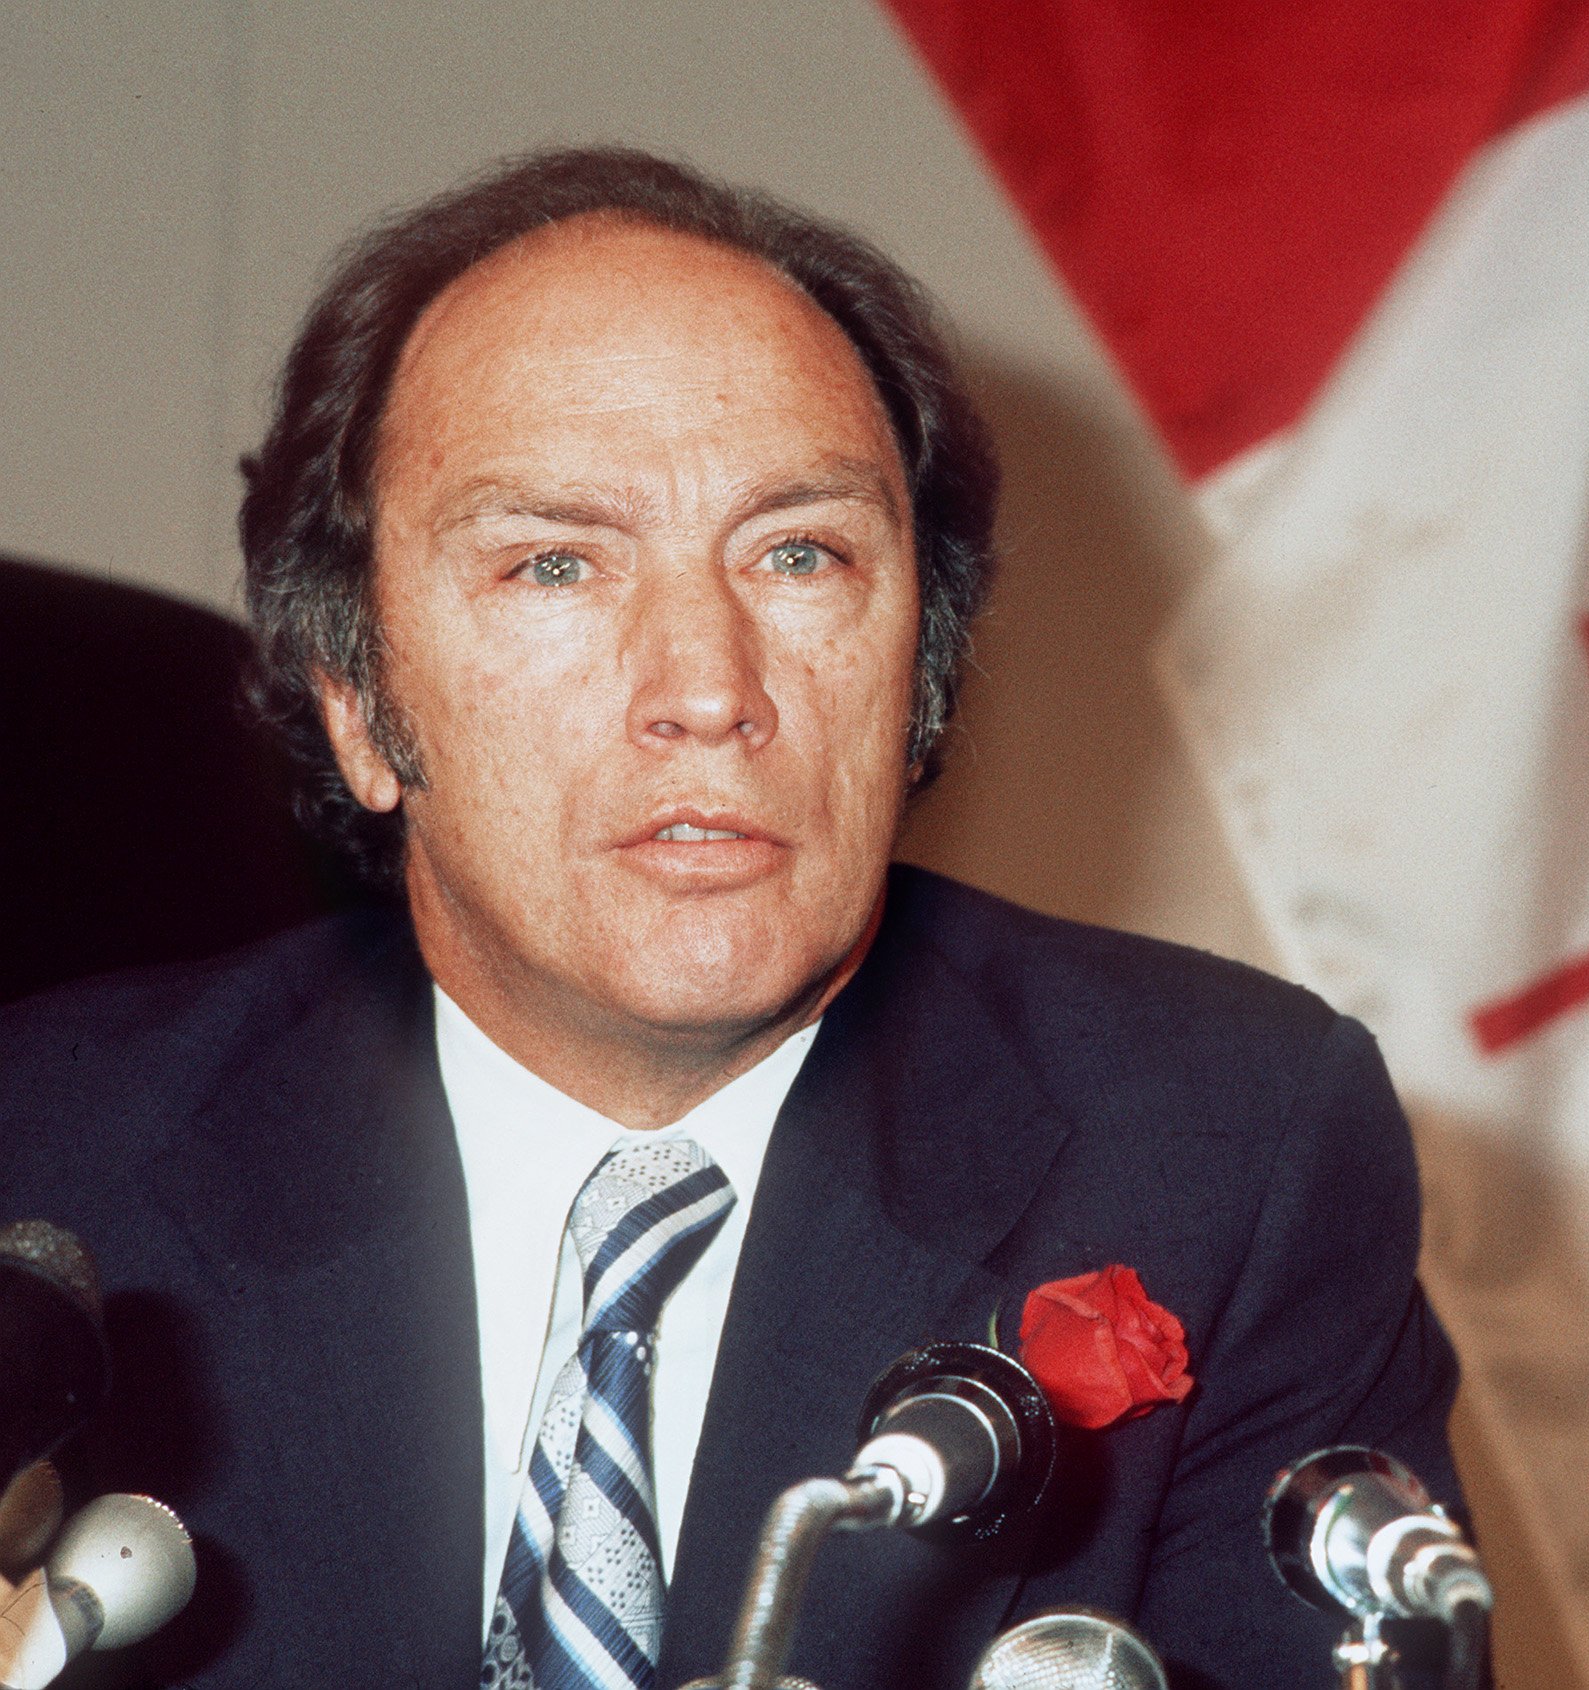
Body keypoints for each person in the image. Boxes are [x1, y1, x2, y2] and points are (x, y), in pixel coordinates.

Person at [0, 149, 1460, 1690]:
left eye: (801, 554)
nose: (709, 688)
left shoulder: (1231, 1153)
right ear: (359, 703)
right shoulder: (49, 1157)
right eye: (555, 561)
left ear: (919, 679)